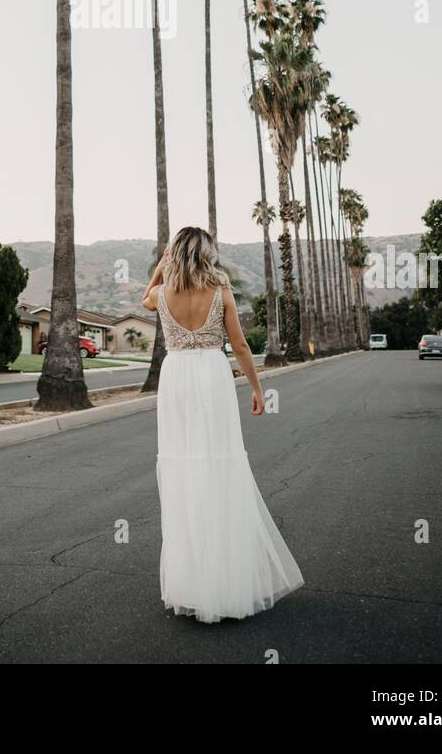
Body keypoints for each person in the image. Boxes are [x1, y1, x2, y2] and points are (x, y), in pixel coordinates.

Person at [142, 225, 304, 623]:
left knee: (184, 467)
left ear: (175, 253)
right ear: (208, 254)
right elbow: (241, 345)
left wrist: (161, 268)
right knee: (219, 465)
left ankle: (193, 581)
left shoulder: (162, 294)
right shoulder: (221, 290)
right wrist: (256, 387)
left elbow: (145, 299)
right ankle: (225, 579)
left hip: (176, 379)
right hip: (212, 376)